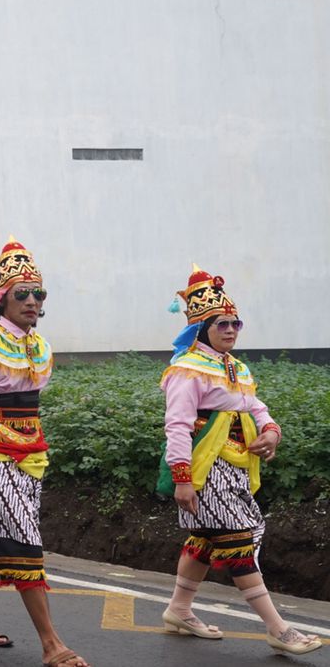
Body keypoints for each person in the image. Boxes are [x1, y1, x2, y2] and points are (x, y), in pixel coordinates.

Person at [157, 267, 319, 655]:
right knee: (238, 541)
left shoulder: (235, 367)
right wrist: (183, 479)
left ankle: (179, 609)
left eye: (236, 323)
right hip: (206, 470)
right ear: (202, 328)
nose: (231, 330)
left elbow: (254, 406)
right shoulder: (187, 369)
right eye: (222, 324)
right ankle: (278, 629)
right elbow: (177, 426)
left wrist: (271, 431)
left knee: (207, 538)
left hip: (236, 468)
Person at [0, 238, 85, 665]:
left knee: (2, 535)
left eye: (38, 294)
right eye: (21, 294)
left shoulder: (40, 345)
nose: (31, 301)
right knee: (23, 541)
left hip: (32, 453)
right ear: (2, 300)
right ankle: (51, 644)